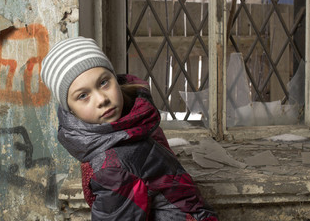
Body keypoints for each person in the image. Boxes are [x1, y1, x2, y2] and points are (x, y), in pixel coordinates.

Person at [41, 37, 218, 221]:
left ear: (115, 79)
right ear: (71, 111)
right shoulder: (136, 121)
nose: (102, 99)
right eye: (83, 95)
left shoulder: (114, 167)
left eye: (103, 82)